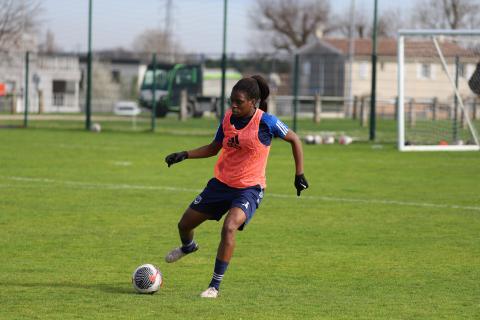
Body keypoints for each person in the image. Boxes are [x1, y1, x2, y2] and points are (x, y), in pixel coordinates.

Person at [164, 75, 309, 298]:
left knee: (230, 226)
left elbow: (295, 139)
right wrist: (185, 154)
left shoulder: (266, 122)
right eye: (231, 100)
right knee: (184, 225)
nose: (233, 105)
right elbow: (214, 148)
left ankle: (214, 286)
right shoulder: (228, 118)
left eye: (239, 101)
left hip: (250, 188)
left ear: (253, 102)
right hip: (220, 185)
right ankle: (188, 247)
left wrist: (299, 173)